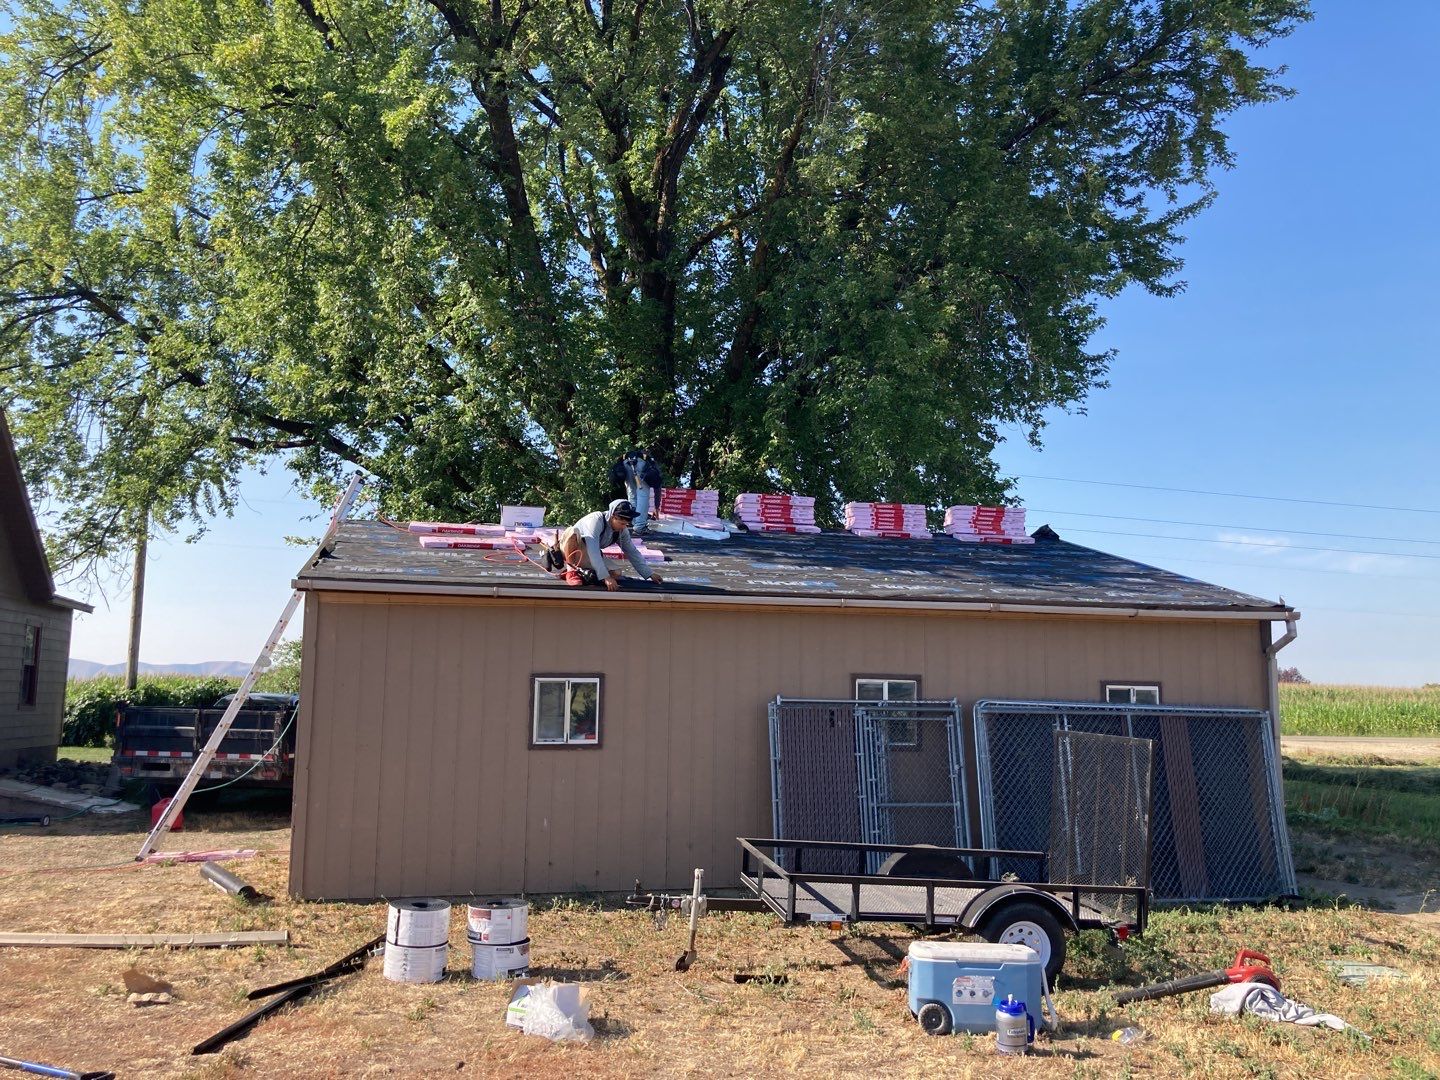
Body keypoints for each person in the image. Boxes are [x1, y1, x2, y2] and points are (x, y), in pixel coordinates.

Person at [558, 499, 663, 591]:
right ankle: (571, 572)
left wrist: (649, 573)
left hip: (586, 555)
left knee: (616, 573)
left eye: (626, 524)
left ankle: (582, 572)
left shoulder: (622, 531)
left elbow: (632, 552)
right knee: (572, 532)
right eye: (622, 523)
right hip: (571, 549)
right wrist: (605, 577)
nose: (624, 527)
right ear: (613, 516)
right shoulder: (595, 521)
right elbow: (593, 550)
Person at [610, 449, 663, 533]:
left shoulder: (634, 458)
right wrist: (656, 507)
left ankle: (632, 521)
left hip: (625, 463)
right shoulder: (651, 468)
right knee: (643, 495)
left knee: (632, 494)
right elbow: (657, 489)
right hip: (640, 464)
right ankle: (640, 526)